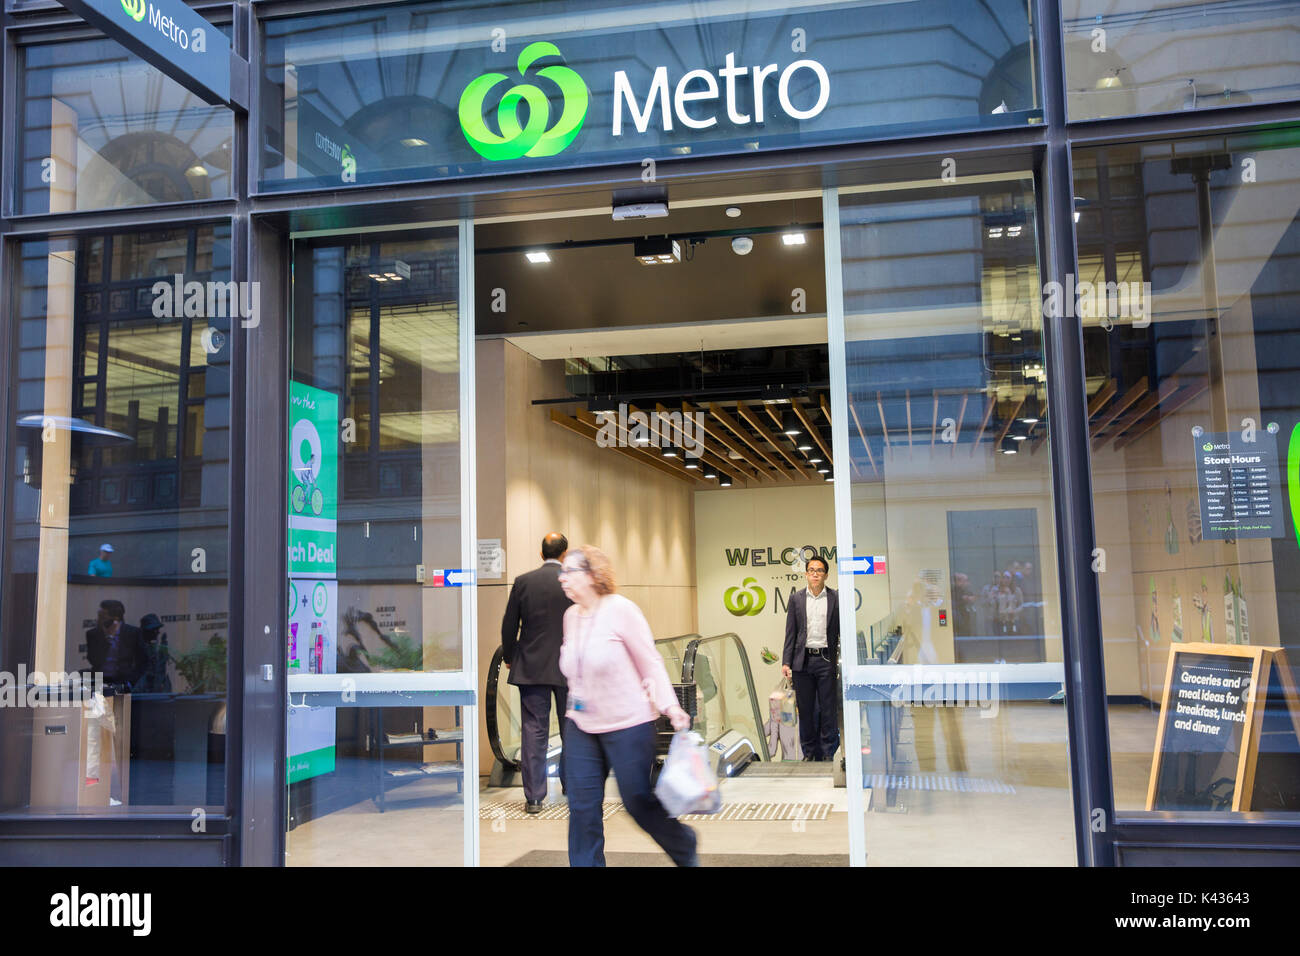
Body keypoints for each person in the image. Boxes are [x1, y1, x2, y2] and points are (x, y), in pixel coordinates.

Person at [557, 545, 696, 867]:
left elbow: (650, 662)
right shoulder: (569, 617)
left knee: (637, 802)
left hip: (628, 723)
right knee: (581, 807)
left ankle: (683, 843)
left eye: (569, 572)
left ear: (592, 575)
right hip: (581, 725)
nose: (562, 578)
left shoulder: (621, 610)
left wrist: (670, 707)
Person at [500, 532, 573, 814]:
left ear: (541, 554)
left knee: (533, 731)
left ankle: (534, 798)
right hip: (569, 669)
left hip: (531, 667)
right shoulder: (572, 582)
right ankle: (572, 785)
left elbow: (509, 625)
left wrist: (510, 657)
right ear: (565, 554)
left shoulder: (523, 582)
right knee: (573, 729)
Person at [83, 600, 145, 804]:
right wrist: (106, 639)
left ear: (115, 617)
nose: (99, 618)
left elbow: (143, 660)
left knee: (122, 734)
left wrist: (130, 682)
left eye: (103, 615)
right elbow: (94, 660)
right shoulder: (93, 634)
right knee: (100, 733)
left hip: (123, 688)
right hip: (102, 688)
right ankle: (102, 784)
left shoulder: (133, 633)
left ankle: (121, 786)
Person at [781, 556, 840, 762]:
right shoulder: (796, 599)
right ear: (806, 574)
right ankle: (809, 752)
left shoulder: (835, 598)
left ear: (826, 574)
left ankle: (827, 752)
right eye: (812, 570)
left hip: (826, 660)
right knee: (805, 710)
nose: (815, 573)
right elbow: (791, 632)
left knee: (827, 709)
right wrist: (786, 662)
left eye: (820, 570)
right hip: (802, 662)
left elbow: (842, 632)